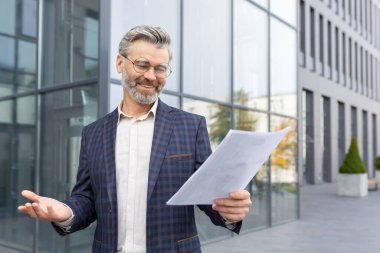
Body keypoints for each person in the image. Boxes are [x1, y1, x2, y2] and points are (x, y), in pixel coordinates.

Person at [18, 25, 252, 253]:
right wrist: (65, 212)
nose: (151, 76)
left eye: (160, 68)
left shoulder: (191, 126)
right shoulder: (93, 133)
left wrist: (229, 211)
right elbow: (87, 199)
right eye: (142, 65)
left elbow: (208, 195)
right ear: (120, 63)